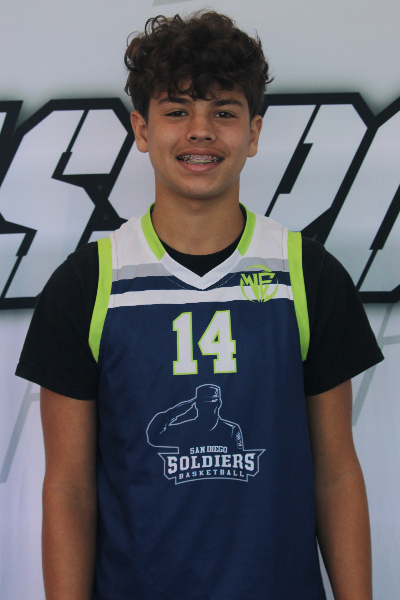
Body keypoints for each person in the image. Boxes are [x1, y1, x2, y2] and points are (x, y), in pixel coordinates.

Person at [16, 10, 383, 600]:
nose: (201, 131)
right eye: (177, 110)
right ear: (141, 129)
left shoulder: (308, 276)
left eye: (224, 112)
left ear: (254, 133)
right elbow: (69, 489)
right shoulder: (87, 285)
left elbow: (336, 473)